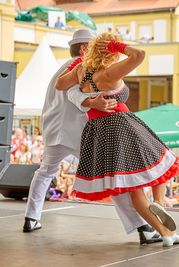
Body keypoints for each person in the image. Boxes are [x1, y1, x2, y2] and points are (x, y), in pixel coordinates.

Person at [23, 30, 162, 246]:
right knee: (110, 175)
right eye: (96, 46)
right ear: (83, 49)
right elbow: (72, 94)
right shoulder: (85, 65)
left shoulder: (59, 71)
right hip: (79, 132)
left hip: (53, 131)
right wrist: (91, 102)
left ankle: (31, 219)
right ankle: (142, 228)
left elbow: (63, 88)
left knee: (44, 173)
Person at [55, 32, 179, 246]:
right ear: (109, 50)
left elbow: (60, 85)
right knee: (161, 159)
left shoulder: (81, 71)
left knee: (135, 187)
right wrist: (119, 46)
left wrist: (83, 75)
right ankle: (160, 203)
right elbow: (139, 54)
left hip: (98, 131)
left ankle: (166, 233)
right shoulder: (109, 73)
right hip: (121, 125)